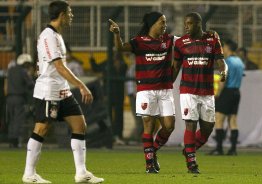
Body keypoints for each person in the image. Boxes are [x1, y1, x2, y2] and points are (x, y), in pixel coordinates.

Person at [22, 1, 104, 183]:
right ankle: (29, 174)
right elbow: (58, 66)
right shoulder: (48, 35)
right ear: (62, 14)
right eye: (70, 12)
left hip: (63, 90)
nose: (71, 16)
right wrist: (81, 85)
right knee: (41, 128)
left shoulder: (56, 35)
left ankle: (81, 173)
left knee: (79, 125)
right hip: (49, 90)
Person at [109, 11, 176, 173]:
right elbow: (120, 48)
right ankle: (149, 164)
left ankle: (152, 151)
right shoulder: (139, 42)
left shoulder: (169, 40)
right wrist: (117, 34)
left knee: (169, 126)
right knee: (149, 126)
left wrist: (206, 35)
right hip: (146, 90)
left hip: (165, 90)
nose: (164, 25)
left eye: (165, 22)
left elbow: (189, 40)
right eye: (162, 22)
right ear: (153, 23)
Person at [173, 12, 228, 174]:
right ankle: (191, 161)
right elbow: (175, 67)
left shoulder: (212, 39)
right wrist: (167, 84)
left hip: (207, 91)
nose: (186, 26)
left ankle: (188, 150)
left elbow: (221, 61)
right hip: (188, 91)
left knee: (208, 128)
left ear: (198, 24)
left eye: (189, 23)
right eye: (185, 23)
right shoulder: (181, 43)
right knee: (191, 124)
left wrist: (223, 71)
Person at [209, 39, 244, 156]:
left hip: (227, 92)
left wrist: (217, 94)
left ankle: (219, 149)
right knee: (233, 120)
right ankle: (233, 149)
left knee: (219, 119)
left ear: (228, 48)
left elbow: (223, 79)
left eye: (223, 46)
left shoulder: (227, 62)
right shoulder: (240, 61)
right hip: (236, 92)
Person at [6, 53, 34, 148]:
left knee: (11, 119)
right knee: (18, 119)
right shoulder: (23, 72)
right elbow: (30, 84)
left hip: (9, 98)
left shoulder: (10, 70)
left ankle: (10, 139)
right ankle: (15, 141)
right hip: (19, 98)